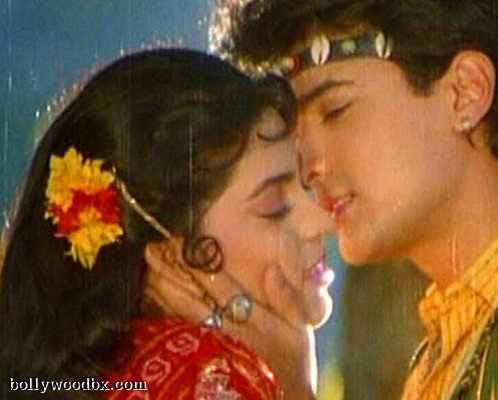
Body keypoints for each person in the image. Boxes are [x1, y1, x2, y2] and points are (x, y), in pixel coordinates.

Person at [211, 0, 498, 398]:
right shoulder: (451, 344)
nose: (309, 166)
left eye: (336, 110)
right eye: (299, 133)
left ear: (466, 92)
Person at [0, 48, 333, 400]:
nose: (323, 220)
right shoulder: (212, 377)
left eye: (307, 184)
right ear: (169, 255)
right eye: (275, 207)